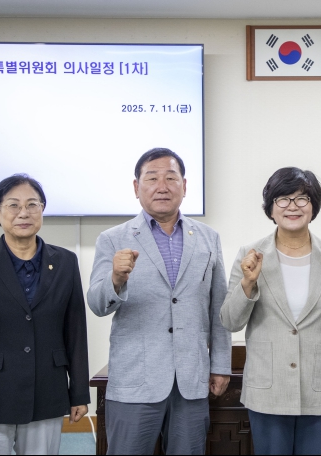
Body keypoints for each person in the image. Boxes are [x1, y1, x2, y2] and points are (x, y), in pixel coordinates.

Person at [88, 148, 231, 455]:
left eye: (171, 178)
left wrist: (221, 365)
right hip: (135, 378)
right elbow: (97, 305)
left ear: (184, 186)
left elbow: (219, 307)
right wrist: (116, 279)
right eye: (152, 178)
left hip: (191, 379)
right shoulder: (113, 239)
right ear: (136, 187)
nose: (162, 186)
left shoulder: (208, 238)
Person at [220, 167, 321, 455]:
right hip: (268, 391)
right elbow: (230, 321)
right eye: (283, 199)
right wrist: (248, 284)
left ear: (313, 206)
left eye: (302, 199)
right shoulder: (250, 255)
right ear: (271, 208)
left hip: (320, 391)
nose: (293, 207)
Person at [0, 174, 90, 455]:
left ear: (42, 209)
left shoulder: (65, 262)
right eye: (13, 205)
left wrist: (79, 393)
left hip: (46, 390)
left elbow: (75, 332)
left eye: (32, 204)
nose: (24, 213)